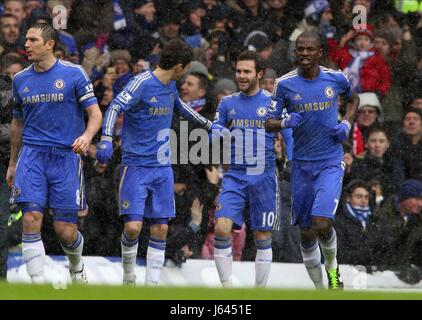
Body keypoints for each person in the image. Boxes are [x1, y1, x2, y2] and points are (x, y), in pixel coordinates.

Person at [96, 39, 226, 286]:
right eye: (186, 67)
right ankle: (128, 276)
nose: (186, 72)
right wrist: (105, 138)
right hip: (135, 165)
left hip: (162, 167)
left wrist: (210, 125)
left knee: (161, 228)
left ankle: (151, 286)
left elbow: (182, 109)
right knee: (133, 227)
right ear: (179, 66)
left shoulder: (171, 87)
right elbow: (114, 107)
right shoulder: (141, 83)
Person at [6, 23, 102, 284]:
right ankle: (38, 286)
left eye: (33, 40)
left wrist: (86, 137)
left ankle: (77, 266)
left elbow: (95, 114)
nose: (27, 44)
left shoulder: (74, 74)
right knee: (30, 217)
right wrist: (13, 164)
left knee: (65, 232)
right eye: (26, 39)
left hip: (65, 158)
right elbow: (17, 124)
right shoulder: (21, 79)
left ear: (50, 44)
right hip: (32, 156)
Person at [265, 31, 359, 289]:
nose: (304, 53)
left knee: (321, 222)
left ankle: (333, 271)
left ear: (319, 53)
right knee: (306, 233)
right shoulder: (284, 85)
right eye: (300, 49)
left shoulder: (335, 78)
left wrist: (347, 123)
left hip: (330, 161)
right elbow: (268, 122)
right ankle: (321, 290)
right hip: (301, 166)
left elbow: (354, 98)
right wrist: (284, 121)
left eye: (309, 49)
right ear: (295, 53)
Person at [211, 50, 291, 288]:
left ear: (259, 73)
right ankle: (227, 289)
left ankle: (259, 291)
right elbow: (214, 127)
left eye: (247, 71)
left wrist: (293, 161)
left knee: (262, 236)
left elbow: (288, 132)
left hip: (264, 177)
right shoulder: (227, 103)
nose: (241, 76)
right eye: (238, 71)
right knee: (221, 228)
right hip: (234, 176)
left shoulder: (273, 103)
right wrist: (219, 132)